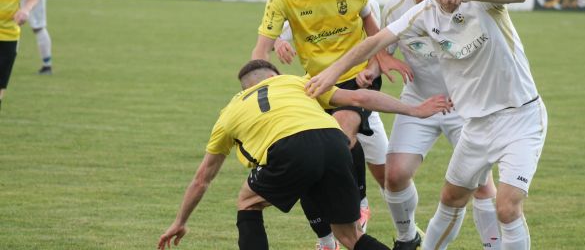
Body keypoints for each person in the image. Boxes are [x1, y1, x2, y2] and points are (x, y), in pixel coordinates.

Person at [305, 0, 548, 250]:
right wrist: (332, 74)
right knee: (451, 198)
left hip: (520, 117)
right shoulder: (423, 14)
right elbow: (374, 43)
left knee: (506, 206)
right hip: (476, 124)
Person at [157, 59, 451, 250]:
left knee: (247, 202)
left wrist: (180, 220)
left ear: (245, 88)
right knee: (349, 236)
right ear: (275, 76)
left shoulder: (229, 111)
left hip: (289, 149)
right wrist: (413, 109)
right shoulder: (297, 82)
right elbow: (360, 98)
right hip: (336, 143)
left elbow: (202, 179)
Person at [251, 0, 409, 249]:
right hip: (314, 86)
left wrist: (379, 61)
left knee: (339, 137)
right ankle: (326, 239)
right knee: (310, 156)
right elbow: (260, 51)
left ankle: (358, 206)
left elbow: (372, 28)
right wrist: (253, 95)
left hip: (354, 79)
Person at [353, 0, 500, 250]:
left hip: (466, 107)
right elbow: (383, 52)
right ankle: (408, 238)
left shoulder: (461, 2)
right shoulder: (397, 8)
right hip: (419, 102)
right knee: (395, 175)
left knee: (481, 184)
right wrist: (372, 69)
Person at [272, 0, 388, 237]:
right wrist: (279, 43)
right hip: (322, 90)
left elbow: (381, 44)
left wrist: (374, 70)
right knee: (321, 153)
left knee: (389, 173)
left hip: (359, 87)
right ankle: (327, 237)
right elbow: (287, 28)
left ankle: (375, 213)